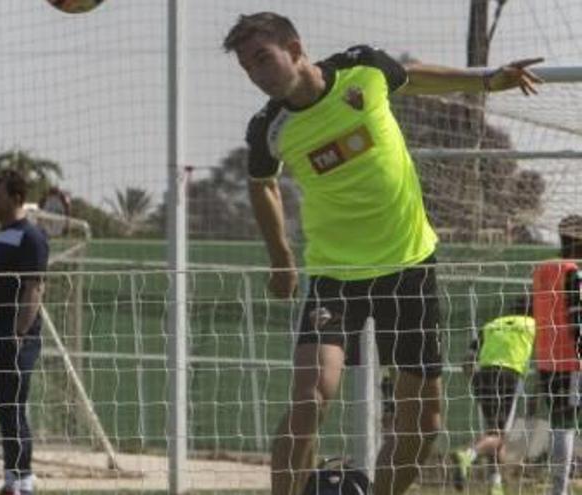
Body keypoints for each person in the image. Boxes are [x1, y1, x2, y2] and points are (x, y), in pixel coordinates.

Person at [221, 11, 542, 495]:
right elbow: (262, 184)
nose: (257, 74)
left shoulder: (363, 70)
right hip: (335, 277)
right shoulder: (269, 128)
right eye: (247, 67)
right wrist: (281, 257)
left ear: (294, 47)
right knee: (309, 398)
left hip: (408, 266)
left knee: (424, 420)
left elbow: (414, 78)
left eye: (263, 59)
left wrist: (487, 82)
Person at [0, 170, 49, 495]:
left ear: (16, 198)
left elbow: (34, 288)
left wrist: (18, 334)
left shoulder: (31, 237)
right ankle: (11, 480)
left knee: (15, 407)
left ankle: (24, 482)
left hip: (16, 338)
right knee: (4, 408)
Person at [450, 298, 536, 495]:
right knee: (499, 436)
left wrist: (475, 380)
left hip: (483, 376)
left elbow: (468, 360)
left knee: (492, 432)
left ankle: (495, 486)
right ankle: (467, 454)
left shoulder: (491, 325)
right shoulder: (532, 325)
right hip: (509, 376)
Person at [531, 215, 582, 495]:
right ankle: (559, 490)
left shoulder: (542, 270)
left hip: (545, 359)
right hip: (571, 361)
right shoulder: (573, 271)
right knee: (567, 424)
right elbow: (577, 320)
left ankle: (558, 487)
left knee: (559, 423)